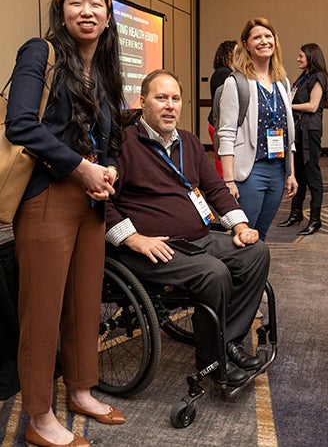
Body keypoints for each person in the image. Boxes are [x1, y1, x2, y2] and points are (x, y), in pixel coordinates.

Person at [5, 0, 126, 447]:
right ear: (61, 9)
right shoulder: (41, 51)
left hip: (91, 199)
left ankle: (80, 389)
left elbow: (110, 136)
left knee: (83, 304)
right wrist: (80, 168)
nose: (87, 11)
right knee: (42, 312)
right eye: (77, 2)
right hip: (48, 195)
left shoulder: (103, 68)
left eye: (97, 3)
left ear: (107, 14)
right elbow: (20, 125)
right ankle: (39, 417)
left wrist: (109, 169)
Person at [105, 69, 269, 387]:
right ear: (142, 102)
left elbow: (217, 190)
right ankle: (214, 364)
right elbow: (101, 203)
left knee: (256, 252)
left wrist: (241, 225)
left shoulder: (190, 142)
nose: (170, 106)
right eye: (161, 98)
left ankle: (227, 342)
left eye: (175, 99)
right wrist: (134, 238)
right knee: (213, 273)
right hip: (150, 246)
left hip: (198, 238)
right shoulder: (122, 144)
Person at [217, 17, 298, 241]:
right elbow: (226, 133)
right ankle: (236, 276)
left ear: (275, 41)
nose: (263, 41)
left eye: (267, 36)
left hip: (278, 170)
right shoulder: (237, 83)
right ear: (246, 44)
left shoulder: (283, 82)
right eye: (256, 37)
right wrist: (229, 180)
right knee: (243, 233)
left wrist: (291, 173)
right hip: (250, 171)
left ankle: (255, 276)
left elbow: (288, 134)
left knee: (261, 234)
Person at [277, 43, 328, 235]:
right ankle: (296, 213)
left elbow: (312, 106)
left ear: (311, 56)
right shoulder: (304, 77)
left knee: (312, 174)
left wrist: (287, 106)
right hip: (300, 129)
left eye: (301, 56)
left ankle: (315, 219)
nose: (298, 59)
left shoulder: (319, 77)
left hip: (310, 131)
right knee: (298, 172)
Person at [208, 40, 237, 177]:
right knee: (223, 163)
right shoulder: (223, 73)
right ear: (229, 54)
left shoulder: (227, 72)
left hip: (220, 123)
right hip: (219, 124)